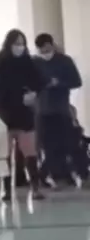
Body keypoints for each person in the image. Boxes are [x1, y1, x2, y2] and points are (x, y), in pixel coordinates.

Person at [0, 29, 44, 202]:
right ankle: (7, 190)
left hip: (25, 113)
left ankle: (35, 187)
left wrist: (34, 93)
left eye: (22, 43)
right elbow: (0, 87)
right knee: (5, 153)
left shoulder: (28, 61)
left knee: (30, 151)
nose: (20, 47)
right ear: (9, 44)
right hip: (6, 111)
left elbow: (39, 81)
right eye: (16, 43)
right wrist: (20, 95)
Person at [34, 33, 85, 188]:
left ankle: (72, 174)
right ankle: (54, 175)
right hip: (42, 110)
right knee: (48, 146)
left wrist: (59, 83)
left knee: (67, 142)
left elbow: (77, 81)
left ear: (52, 45)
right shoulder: (35, 63)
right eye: (42, 50)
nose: (45, 53)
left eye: (47, 49)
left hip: (61, 108)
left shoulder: (64, 61)